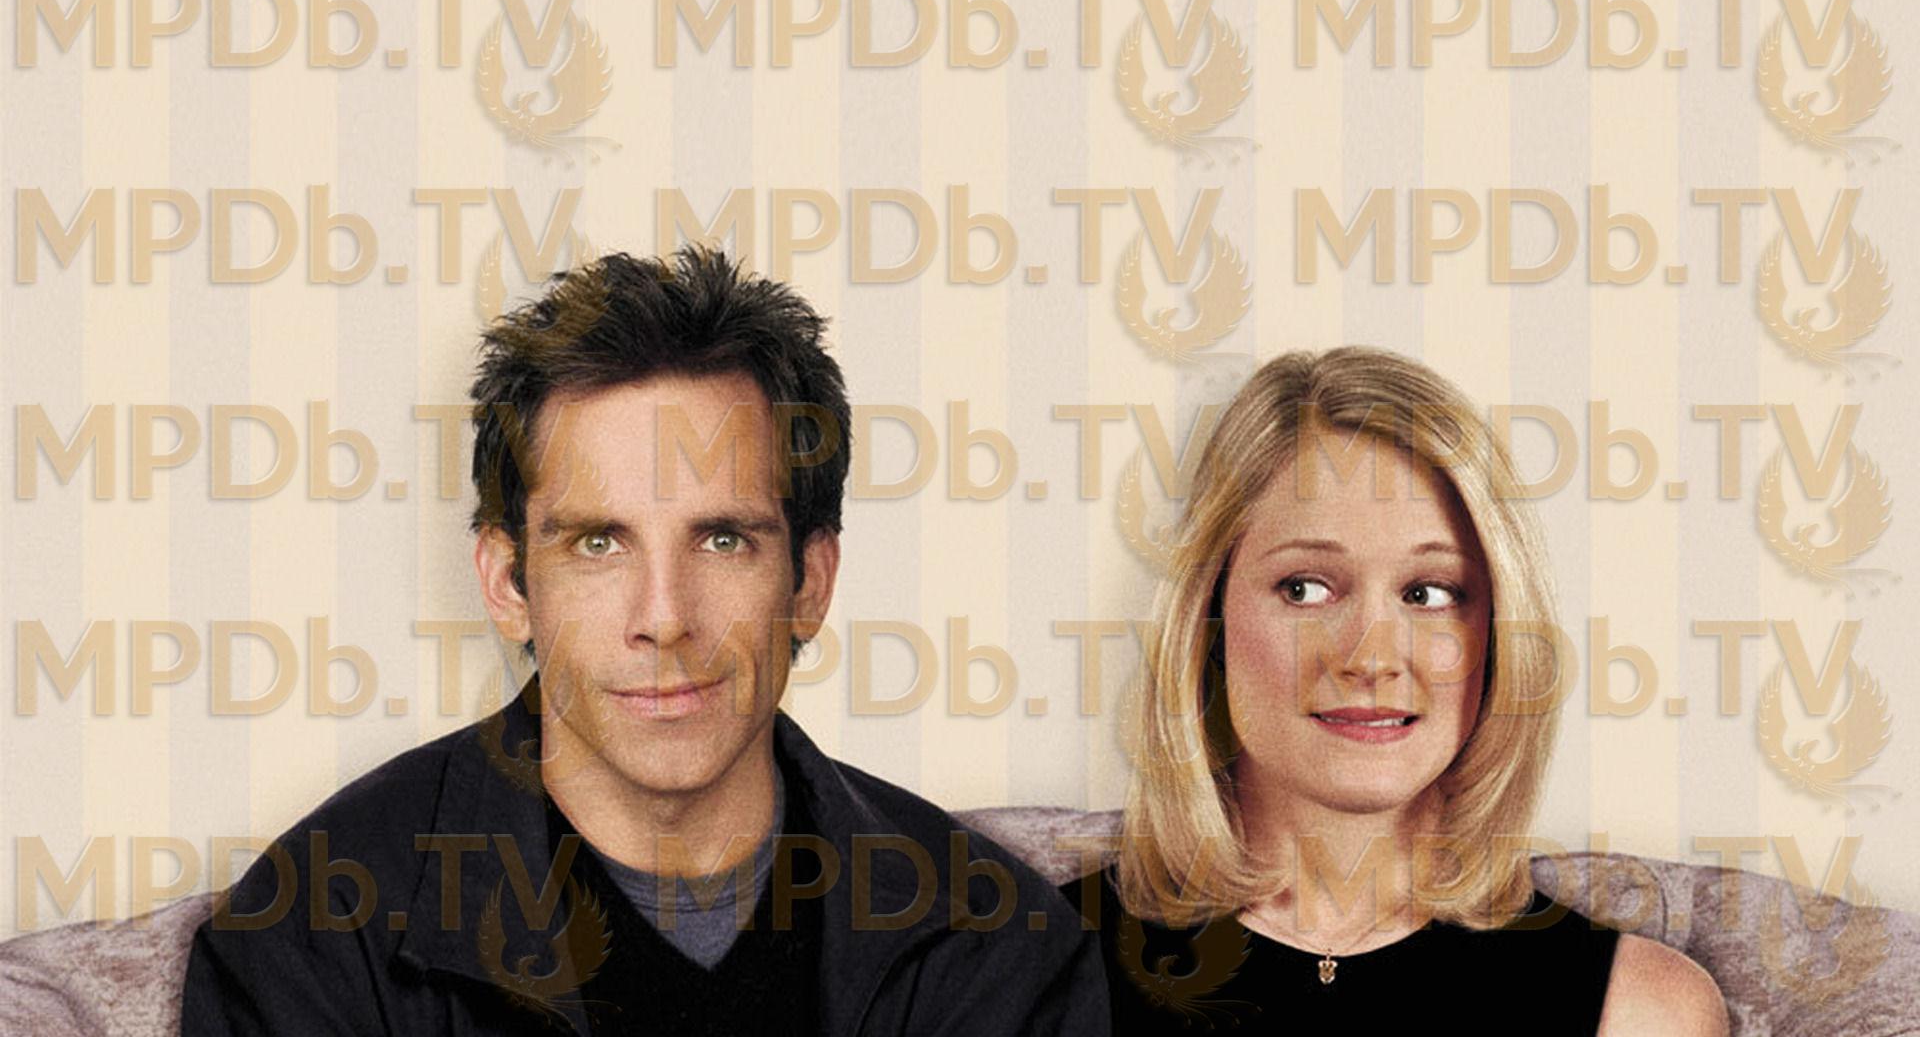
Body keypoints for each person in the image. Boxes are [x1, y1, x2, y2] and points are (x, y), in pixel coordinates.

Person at [181, 246, 1108, 1035]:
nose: (663, 617)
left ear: (810, 583)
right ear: (507, 584)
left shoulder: (996, 951)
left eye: (723, 540)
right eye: (598, 543)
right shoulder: (315, 938)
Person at [1067, 347, 1727, 1035]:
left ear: (1499, 635)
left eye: (1429, 593)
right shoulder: (1040, 968)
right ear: (1208, 619)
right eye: (1305, 588)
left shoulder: (1641, 1011)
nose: (1371, 658)